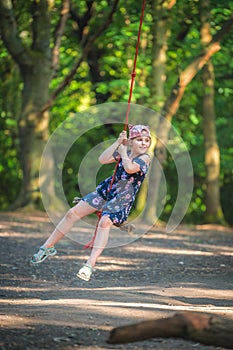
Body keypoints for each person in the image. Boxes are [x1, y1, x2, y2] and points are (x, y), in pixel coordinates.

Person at [30, 124, 151, 281]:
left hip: (122, 199)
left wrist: (122, 152)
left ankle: (89, 265)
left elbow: (129, 169)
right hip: (106, 190)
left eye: (147, 140)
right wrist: (118, 143)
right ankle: (48, 247)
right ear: (131, 141)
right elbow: (103, 159)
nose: (143, 143)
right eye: (139, 140)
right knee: (72, 213)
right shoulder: (125, 152)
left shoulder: (145, 158)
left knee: (105, 222)